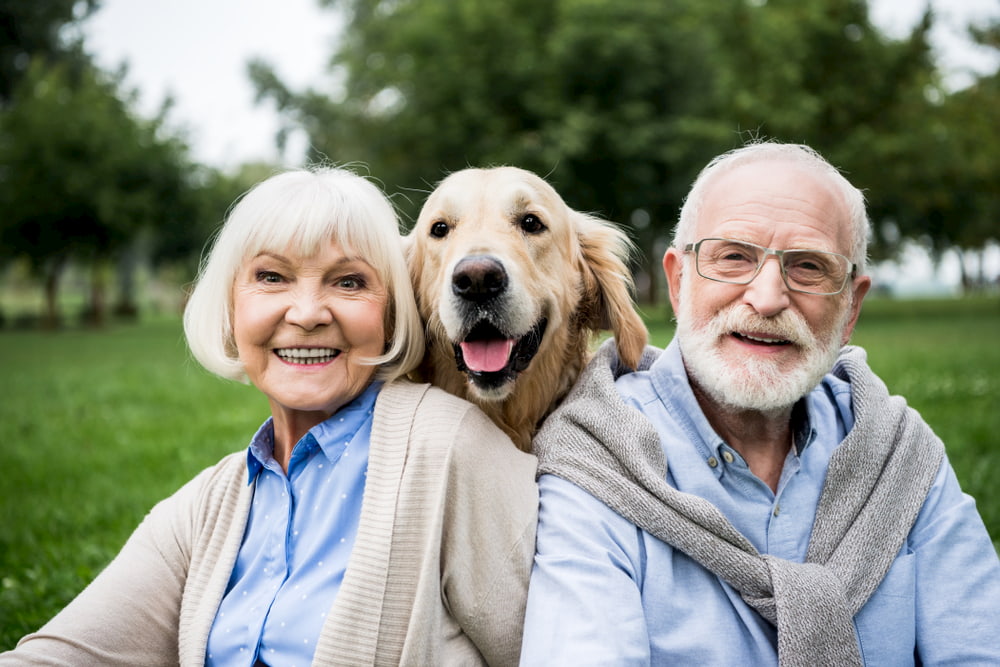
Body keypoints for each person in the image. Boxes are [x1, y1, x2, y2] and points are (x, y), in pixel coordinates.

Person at [2, 166, 538, 666]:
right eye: (272, 277)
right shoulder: (208, 507)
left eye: (348, 282)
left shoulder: (450, 450)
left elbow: (563, 649)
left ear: (394, 310)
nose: (306, 314)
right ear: (231, 309)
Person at [519, 142, 1000, 665]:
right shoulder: (595, 460)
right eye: (733, 257)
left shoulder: (901, 456)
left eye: (809, 267)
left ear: (851, 305)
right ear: (679, 281)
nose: (767, 298)